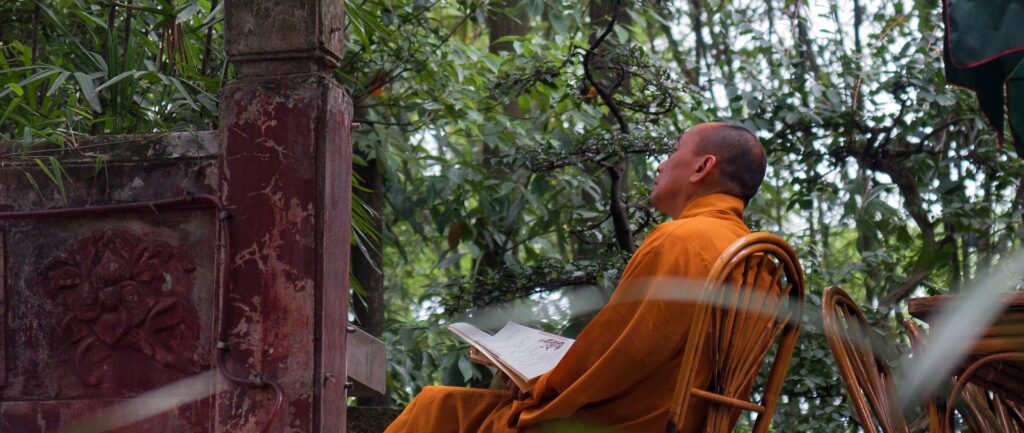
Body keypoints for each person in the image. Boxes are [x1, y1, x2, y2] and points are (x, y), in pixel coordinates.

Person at [383, 122, 768, 433]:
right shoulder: (760, 262)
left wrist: (540, 383)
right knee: (450, 406)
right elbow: (636, 349)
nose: (661, 165)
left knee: (436, 406)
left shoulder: (683, 239)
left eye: (673, 153)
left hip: (622, 423)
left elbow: (624, 355)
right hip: (683, 421)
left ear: (702, 168)